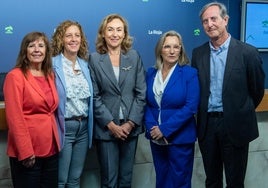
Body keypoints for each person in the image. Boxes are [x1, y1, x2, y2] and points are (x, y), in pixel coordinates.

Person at [191, 2, 265, 188]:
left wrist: (238, 110)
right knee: (212, 180)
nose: (209, 24)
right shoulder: (198, 54)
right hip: (207, 127)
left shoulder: (247, 52)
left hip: (236, 126)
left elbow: (256, 91)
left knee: (235, 182)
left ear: (225, 20)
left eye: (213, 19)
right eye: (205, 21)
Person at [89, 14, 146, 188]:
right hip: (106, 130)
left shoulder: (134, 57)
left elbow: (141, 93)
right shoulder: (94, 59)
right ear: (103, 33)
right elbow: (94, 96)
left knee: (126, 179)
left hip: (131, 128)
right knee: (109, 180)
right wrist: (111, 125)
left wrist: (130, 123)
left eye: (119, 30)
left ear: (124, 34)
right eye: (110, 29)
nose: (115, 34)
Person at [3, 31, 62, 188]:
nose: (37, 49)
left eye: (41, 46)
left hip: (52, 148)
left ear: (46, 51)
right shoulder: (15, 76)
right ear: (25, 50)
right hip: (29, 151)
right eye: (32, 46)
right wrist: (25, 151)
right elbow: (14, 117)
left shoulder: (49, 74)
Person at [144, 30, 200, 188]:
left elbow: (191, 107)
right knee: (161, 179)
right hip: (156, 138)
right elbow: (146, 103)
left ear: (181, 49)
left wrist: (165, 129)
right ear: (160, 49)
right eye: (167, 46)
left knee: (179, 182)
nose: (172, 51)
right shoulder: (151, 73)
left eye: (176, 47)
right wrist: (152, 129)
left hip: (180, 138)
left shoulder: (189, 73)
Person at [51, 20, 94, 188]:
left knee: (75, 179)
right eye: (68, 35)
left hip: (83, 129)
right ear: (61, 39)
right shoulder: (52, 65)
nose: (73, 39)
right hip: (64, 128)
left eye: (77, 35)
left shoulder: (85, 65)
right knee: (60, 181)